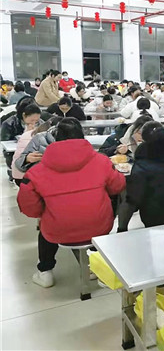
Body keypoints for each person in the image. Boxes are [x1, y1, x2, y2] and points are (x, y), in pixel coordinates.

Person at [17, 118, 126, 288]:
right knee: (96, 217)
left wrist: (45, 212)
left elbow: (28, 206)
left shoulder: (37, 172)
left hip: (58, 229)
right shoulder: (102, 161)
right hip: (99, 225)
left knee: (46, 227)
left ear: (55, 137)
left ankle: (45, 272)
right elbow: (117, 186)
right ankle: (96, 266)